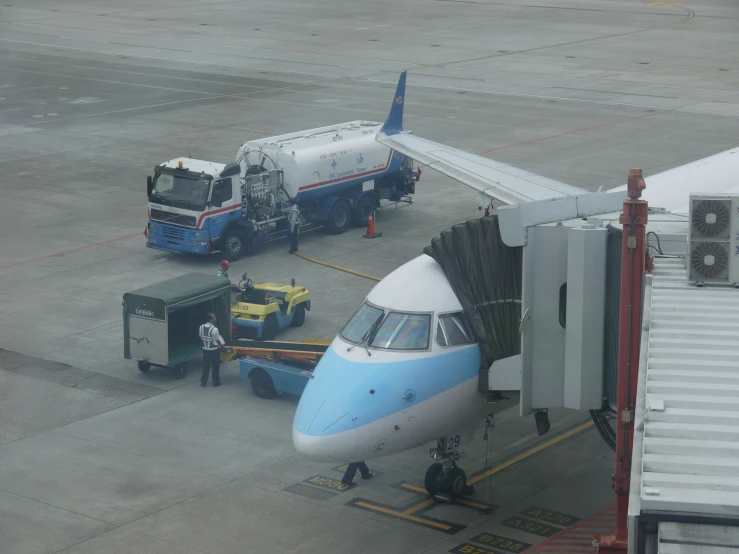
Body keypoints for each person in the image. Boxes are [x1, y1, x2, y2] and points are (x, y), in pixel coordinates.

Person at [199, 313, 225, 387]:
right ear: (210, 319)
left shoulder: (201, 327)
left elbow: (201, 337)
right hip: (214, 350)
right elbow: (217, 340)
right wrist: (222, 347)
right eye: (214, 318)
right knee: (215, 367)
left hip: (205, 350)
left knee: (205, 367)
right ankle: (216, 382)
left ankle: (203, 382)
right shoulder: (215, 329)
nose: (215, 320)